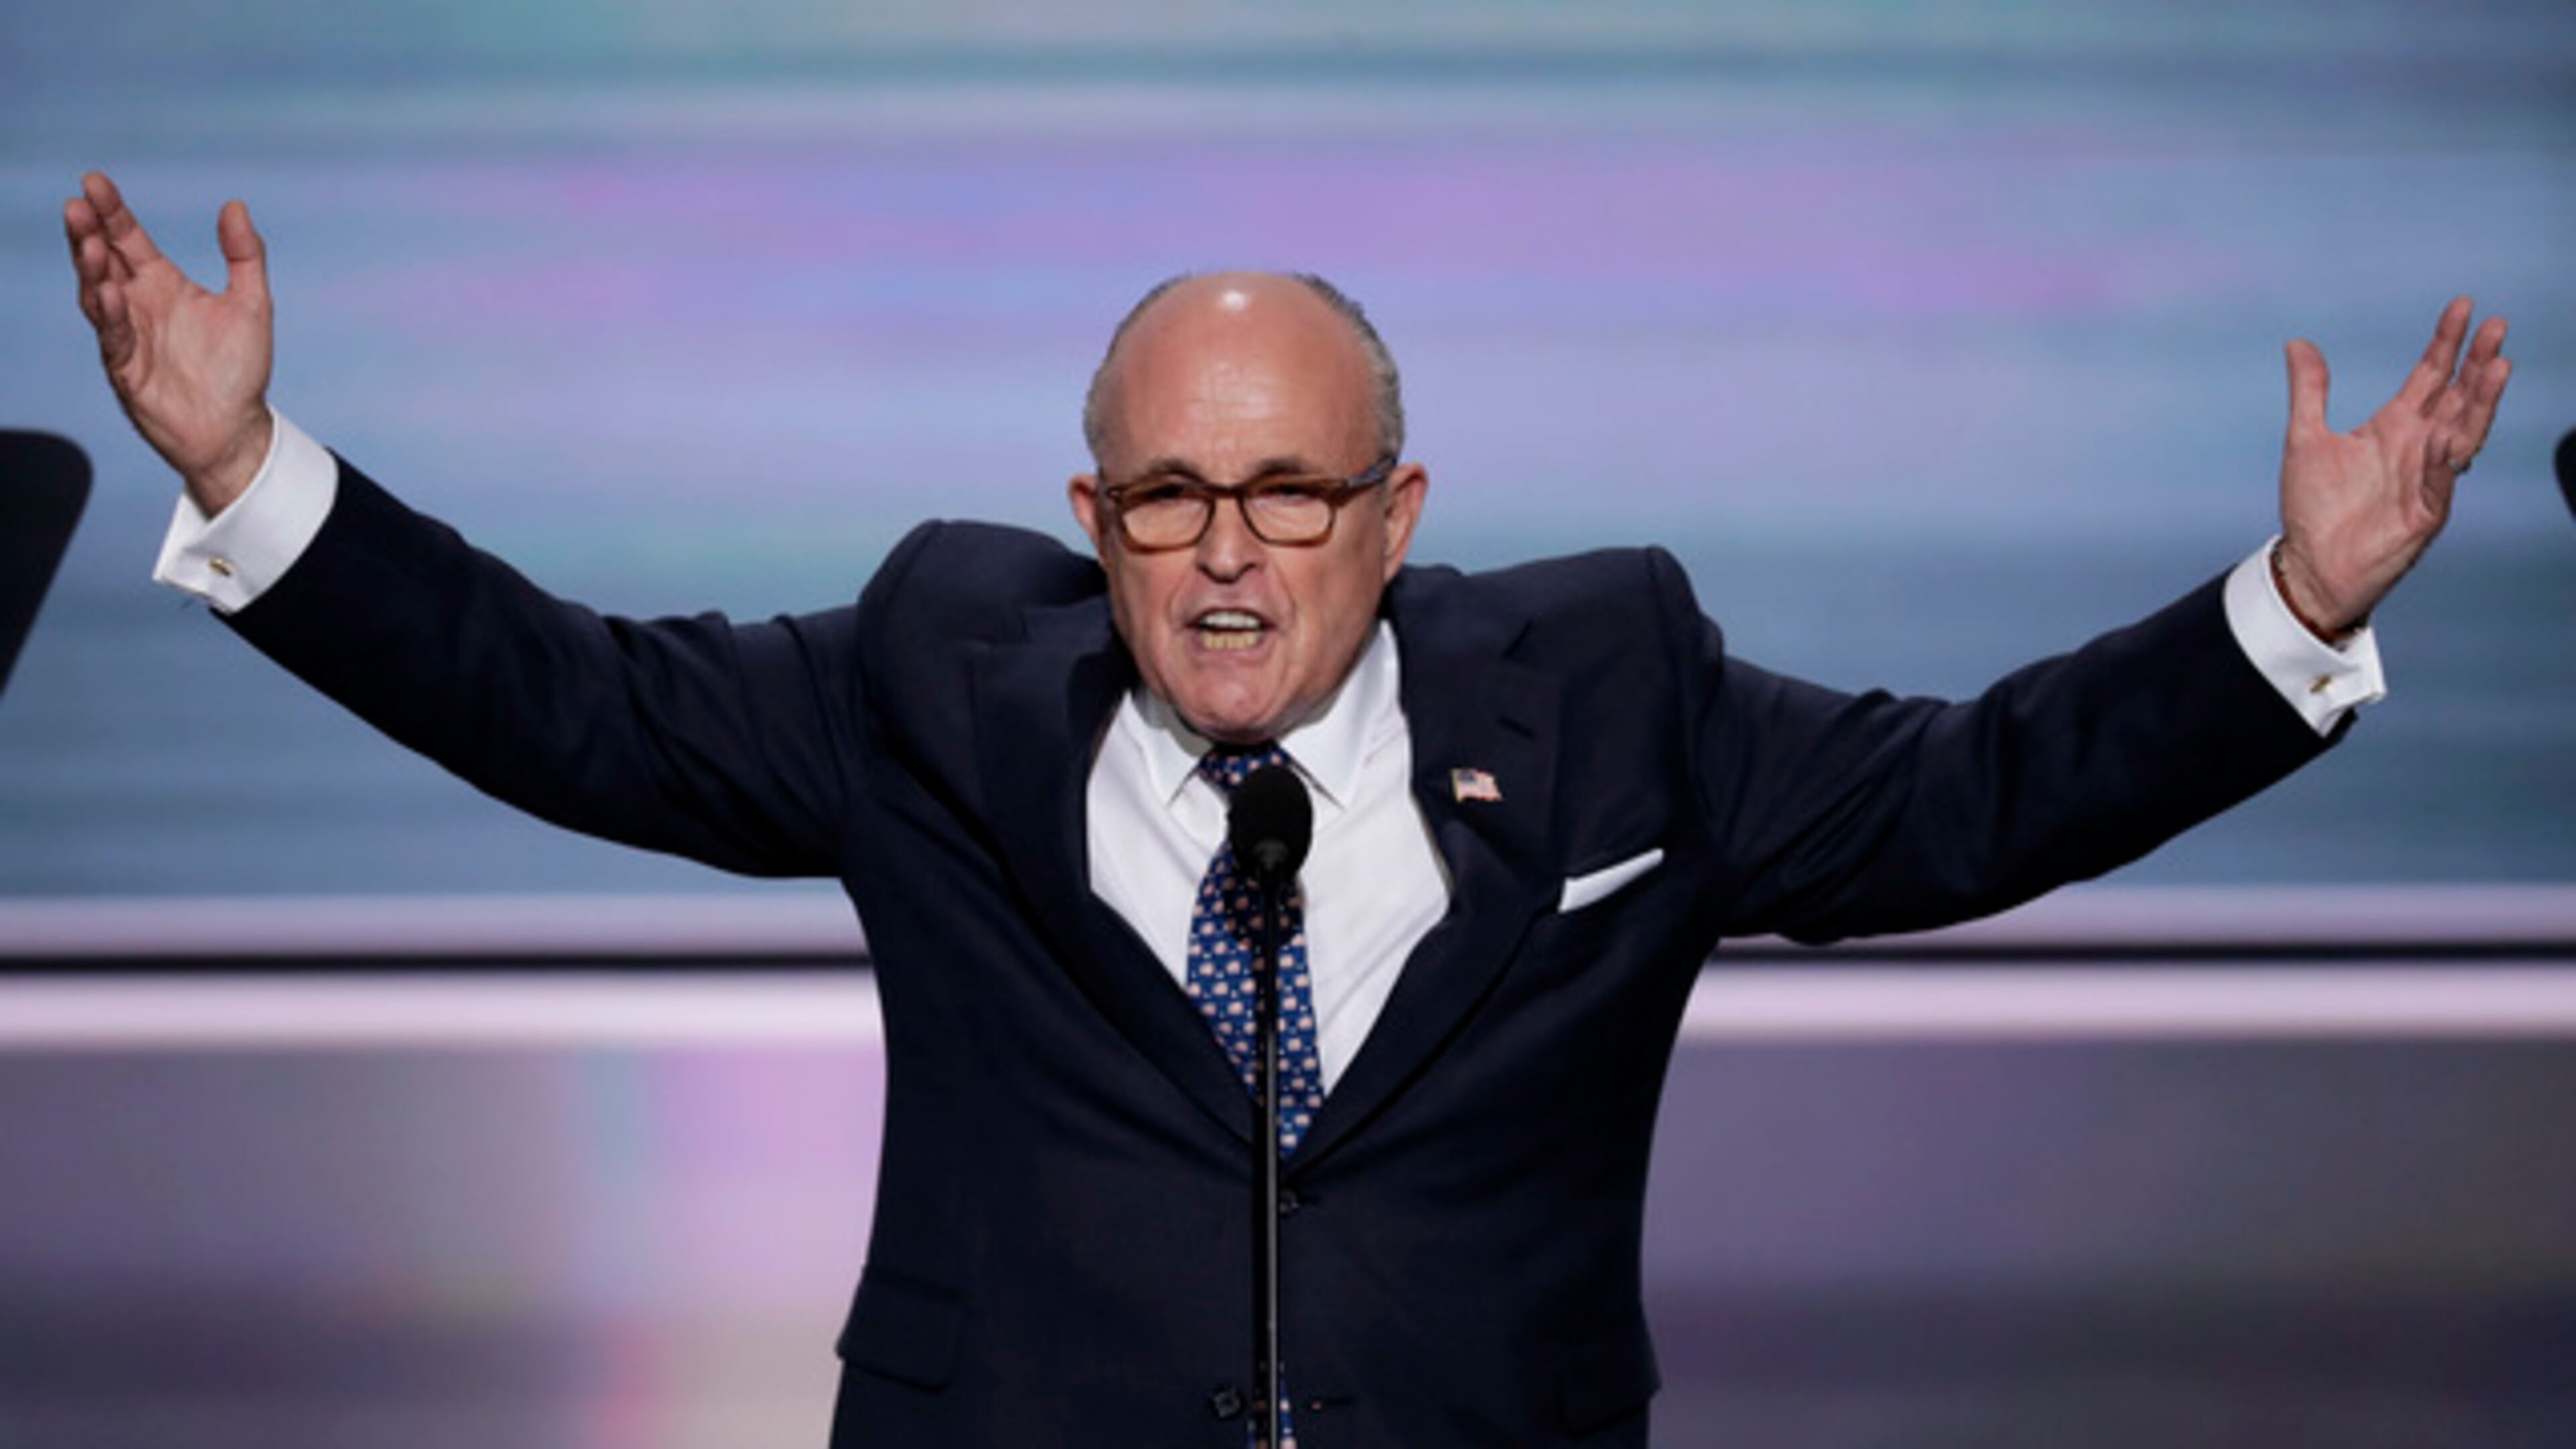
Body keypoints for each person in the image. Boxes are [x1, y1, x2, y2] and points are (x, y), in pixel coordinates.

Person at [64, 170, 2510, 1448]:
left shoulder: (1619, 698)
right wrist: (253, 469)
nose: (1225, 552)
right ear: (1093, 513)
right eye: (1167, 497)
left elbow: (1978, 797)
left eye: (1288, 493)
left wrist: (2292, 604)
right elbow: (569, 703)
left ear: (1397, 511)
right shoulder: (936, 679)